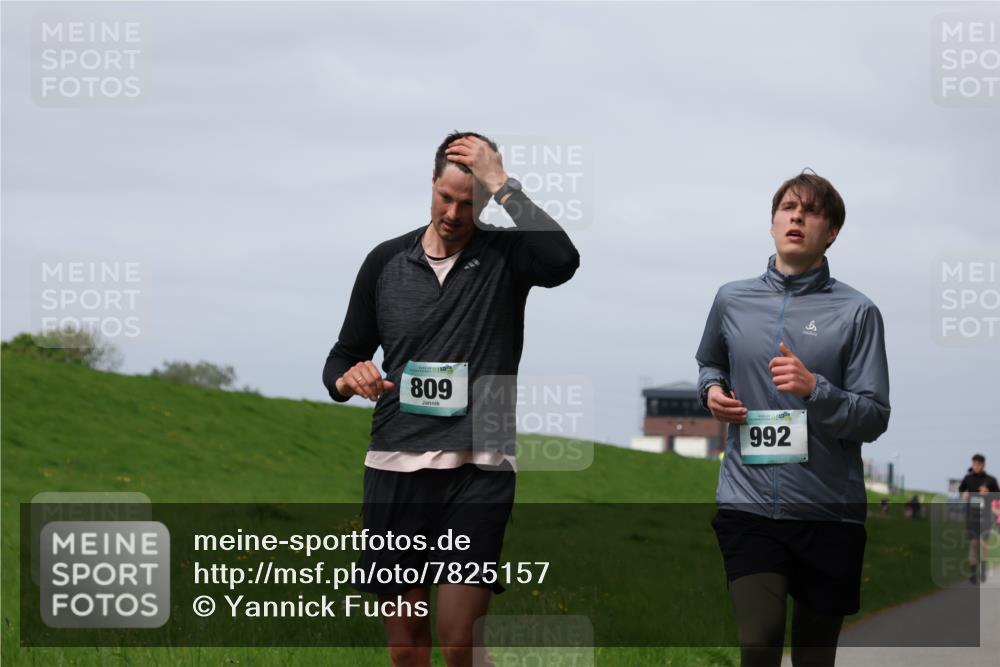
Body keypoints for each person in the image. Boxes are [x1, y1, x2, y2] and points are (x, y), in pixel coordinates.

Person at [322, 131, 579, 667]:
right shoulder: (385, 261)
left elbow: (562, 260)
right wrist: (350, 380)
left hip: (478, 465)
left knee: (459, 640)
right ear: (432, 184)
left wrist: (504, 184)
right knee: (406, 647)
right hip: (395, 464)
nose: (455, 212)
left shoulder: (507, 257)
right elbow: (341, 357)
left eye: (470, 201)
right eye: (446, 197)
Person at [696, 170, 891, 667]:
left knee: (813, 655)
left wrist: (815, 389)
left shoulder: (858, 311)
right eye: (787, 207)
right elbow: (710, 362)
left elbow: (873, 416)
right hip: (748, 504)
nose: (797, 216)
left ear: (832, 232)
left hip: (829, 512)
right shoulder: (731, 299)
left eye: (812, 210)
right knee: (759, 641)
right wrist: (712, 392)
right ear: (773, 223)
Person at [958, 454, 999, 583]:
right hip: (972, 517)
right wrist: (963, 495)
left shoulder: (991, 480)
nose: (976, 466)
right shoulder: (968, 478)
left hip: (986, 516)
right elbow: (961, 491)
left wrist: (989, 493)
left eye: (979, 464)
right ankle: (972, 573)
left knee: (983, 545)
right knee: (973, 544)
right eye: (974, 464)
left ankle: (983, 570)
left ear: (983, 465)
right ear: (972, 464)